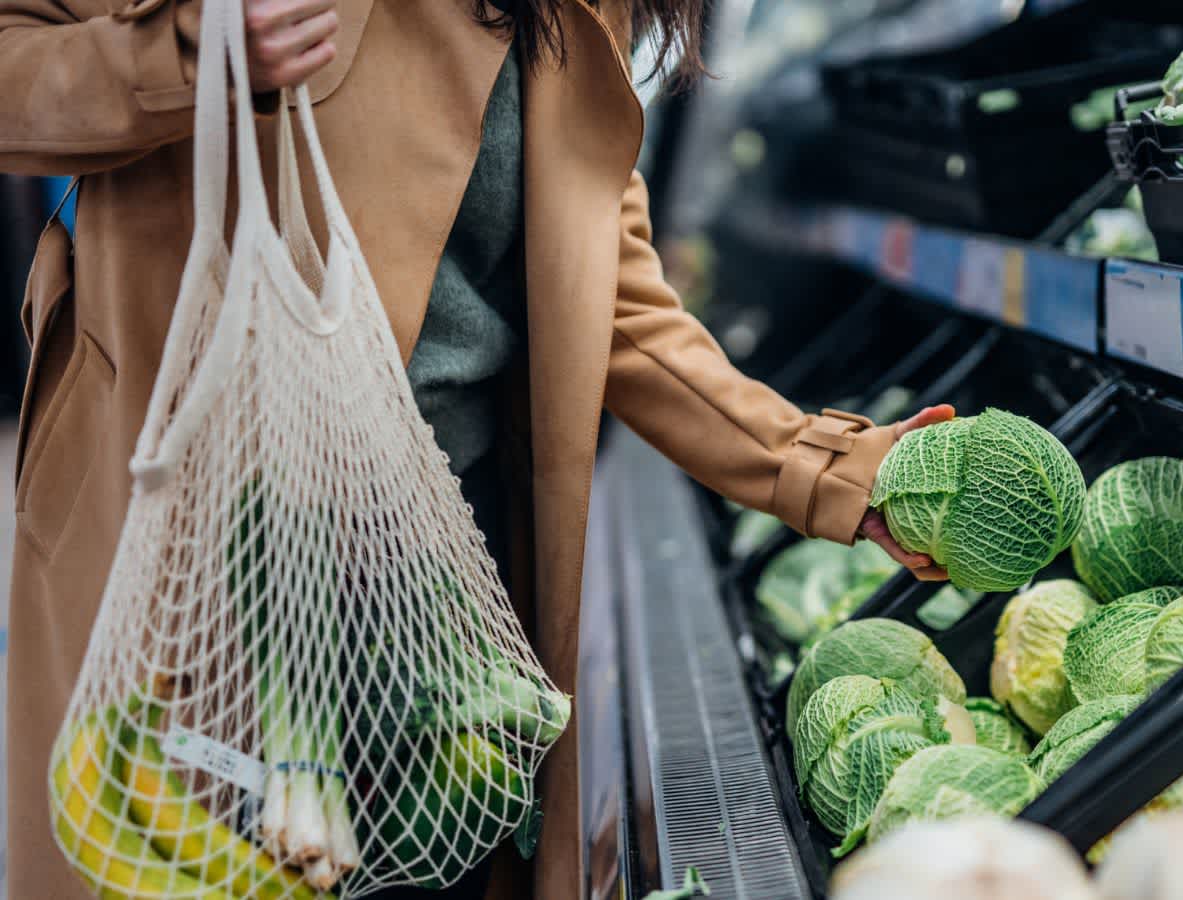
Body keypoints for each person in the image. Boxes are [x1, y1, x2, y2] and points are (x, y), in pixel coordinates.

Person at [0, 1, 952, 897]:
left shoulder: (575, 11)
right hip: (206, 569)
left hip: (445, 597)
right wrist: (183, 53)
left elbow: (618, 311)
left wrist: (833, 469)